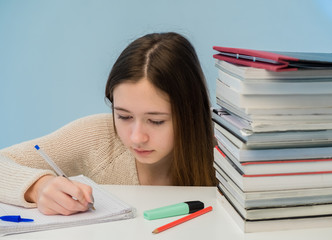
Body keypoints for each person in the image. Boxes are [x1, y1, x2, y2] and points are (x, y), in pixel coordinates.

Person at [0, 32, 216, 216]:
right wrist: (37, 187)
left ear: (190, 113)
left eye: (156, 121)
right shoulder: (96, 136)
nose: (136, 137)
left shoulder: (229, 147)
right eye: (123, 116)